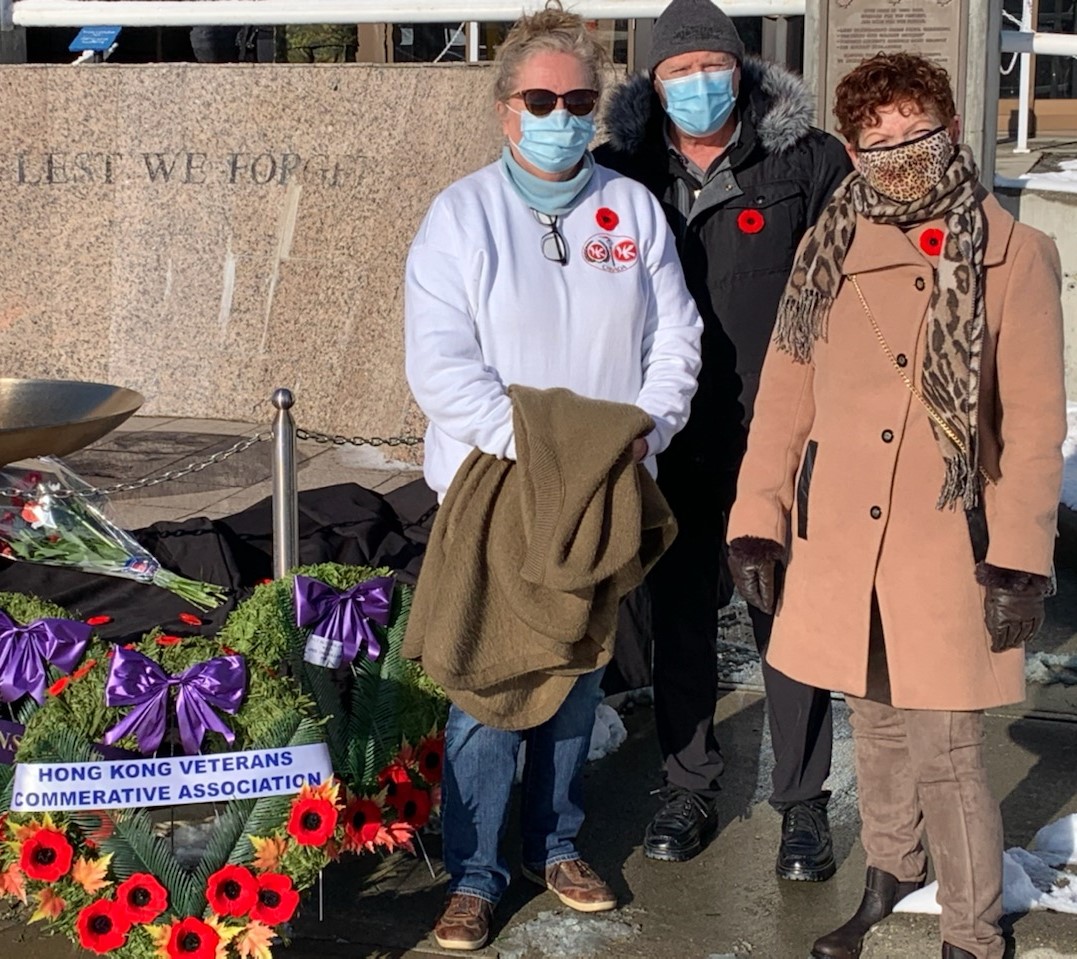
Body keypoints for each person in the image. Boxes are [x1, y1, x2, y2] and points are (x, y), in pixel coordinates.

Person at [727, 52, 1066, 959]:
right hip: (842, 531)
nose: (894, 149)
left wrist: (1021, 555)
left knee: (947, 747)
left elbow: (1033, 423)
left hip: (947, 536)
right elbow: (784, 397)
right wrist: (756, 516)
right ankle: (888, 875)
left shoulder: (1014, 252)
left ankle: (971, 930)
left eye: (911, 128)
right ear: (851, 145)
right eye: (872, 135)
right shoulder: (827, 242)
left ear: (949, 129)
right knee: (872, 722)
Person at [403, 3, 703, 951]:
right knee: (488, 690)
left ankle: (557, 840)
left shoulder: (631, 209)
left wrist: (641, 436)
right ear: (505, 110)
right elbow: (441, 364)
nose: (561, 113)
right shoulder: (461, 215)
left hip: (604, 487)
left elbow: (675, 341)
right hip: (495, 490)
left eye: (580, 99)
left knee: (576, 678)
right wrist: (546, 455)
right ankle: (476, 871)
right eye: (541, 98)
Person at [594, 0, 852, 873]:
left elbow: (850, 295)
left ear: (738, 68)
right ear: (652, 81)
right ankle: (687, 782)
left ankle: (803, 802)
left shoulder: (805, 161)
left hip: (776, 439)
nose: (697, 83)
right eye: (677, 70)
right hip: (664, 437)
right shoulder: (615, 173)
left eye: (711, 65)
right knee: (677, 621)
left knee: (786, 616)